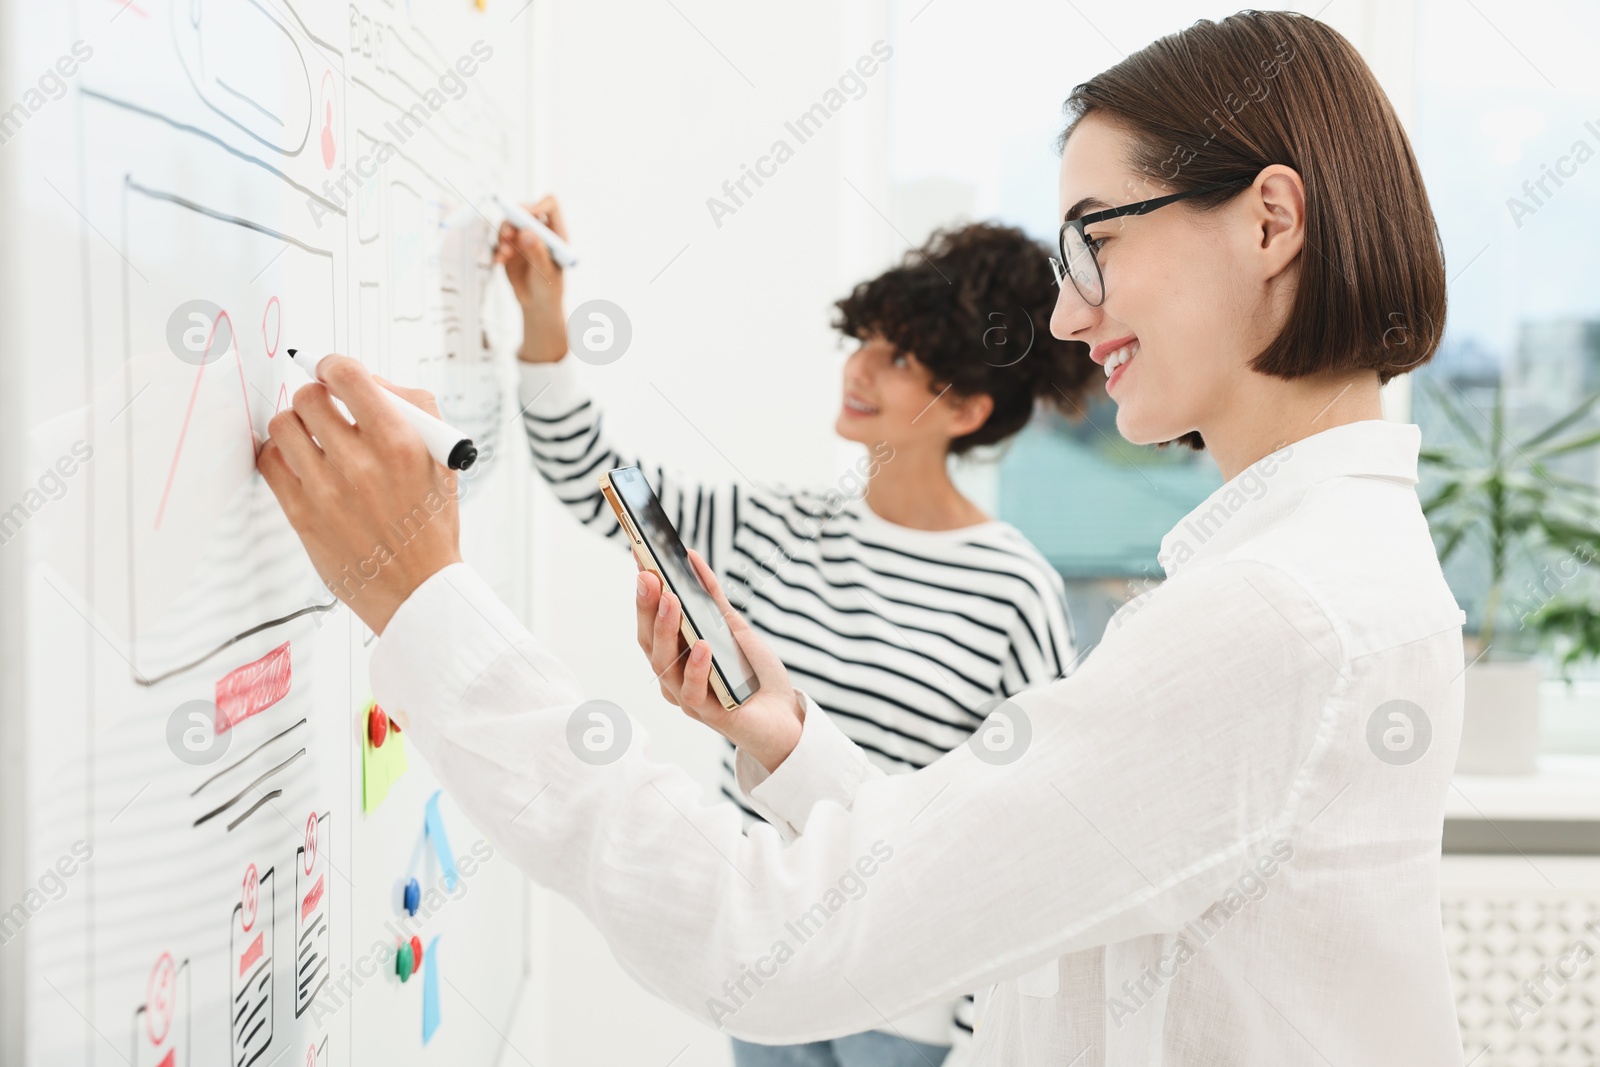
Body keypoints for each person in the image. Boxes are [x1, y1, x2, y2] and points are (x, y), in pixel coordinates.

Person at [259, 10, 1467, 1064]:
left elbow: (778, 930)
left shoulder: (1272, 613)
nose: (1066, 307)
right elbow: (1008, 847)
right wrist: (788, 744)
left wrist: (423, 608)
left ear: (1268, 221)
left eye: (1096, 237)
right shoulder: (1320, 572)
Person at [496, 205, 1092, 1064]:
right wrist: (545, 319)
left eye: (898, 359)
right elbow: (585, 473)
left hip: (908, 1013)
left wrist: (978, 1044)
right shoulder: (776, 526)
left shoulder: (1014, 589)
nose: (860, 368)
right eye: (867, 340)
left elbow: (1022, 830)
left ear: (965, 408)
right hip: (767, 973)